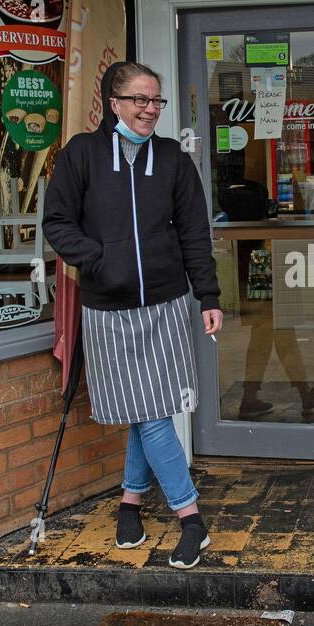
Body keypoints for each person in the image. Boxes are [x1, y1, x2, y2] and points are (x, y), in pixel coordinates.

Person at [43, 61, 223, 569]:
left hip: (165, 304)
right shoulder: (82, 154)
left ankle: (131, 502)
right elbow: (56, 221)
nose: (150, 110)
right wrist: (98, 259)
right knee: (144, 410)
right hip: (108, 309)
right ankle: (192, 518)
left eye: (156, 101)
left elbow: (193, 233)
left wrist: (207, 297)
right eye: (140, 99)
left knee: (151, 411)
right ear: (112, 102)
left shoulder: (171, 159)